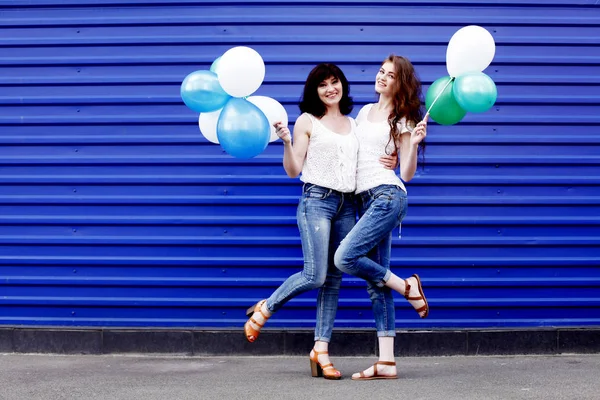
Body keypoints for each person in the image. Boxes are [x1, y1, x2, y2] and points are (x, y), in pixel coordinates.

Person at [244, 63, 393, 380]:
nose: (330, 89)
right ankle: (266, 308)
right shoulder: (307, 121)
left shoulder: (354, 124)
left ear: (342, 85)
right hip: (317, 202)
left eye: (334, 82)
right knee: (314, 275)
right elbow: (293, 169)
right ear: (314, 91)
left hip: (348, 204)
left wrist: (392, 157)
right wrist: (285, 141)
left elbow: (370, 155)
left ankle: (320, 351)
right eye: (322, 84)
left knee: (333, 281)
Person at [333, 55, 430, 380]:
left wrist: (412, 145)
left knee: (344, 257)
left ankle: (406, 286)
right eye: (381, 71)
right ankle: (387, 362)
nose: (382, 77)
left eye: (390, 75)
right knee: (377, 281)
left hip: (388, 196)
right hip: (364, 199)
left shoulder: (401, 118)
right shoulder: (363, 113)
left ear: (399, 83)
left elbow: (406, 173)